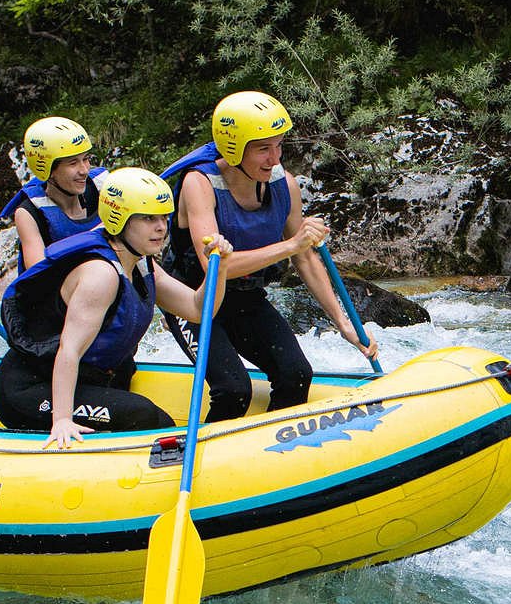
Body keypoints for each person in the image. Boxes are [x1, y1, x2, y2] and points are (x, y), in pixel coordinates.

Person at [160, 91, 377, 422]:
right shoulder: (199, 184)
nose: (274, 159)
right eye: (263, 149)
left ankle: (279, 446)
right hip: (193, 300)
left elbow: (306, 258)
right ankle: (213, 450)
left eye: (278, 146)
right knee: (233, 390)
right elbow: (216, 267)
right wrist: (292, 245)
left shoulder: (284, 184)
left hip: (245, 298)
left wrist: (343, 323)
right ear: (234, 148)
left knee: (296, 374)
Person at [0, 169, 234, 446]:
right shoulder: (101, 275)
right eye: (148, 218)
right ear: (119, 220)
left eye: (163, 217)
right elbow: (69, 351)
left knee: (150, 415)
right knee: (143, 415)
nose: (161, 227)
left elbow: (198, 310)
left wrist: (220, 268)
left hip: (86, 379)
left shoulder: (141, 262)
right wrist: (61, 420)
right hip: (28, 389)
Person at [0, 116, 105, 272]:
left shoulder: (103, 188)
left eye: (86, 159)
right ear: (48, 169)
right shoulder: (29, 213)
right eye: (73, 163)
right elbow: (39, 273)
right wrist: (96, 235)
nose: (84, 170)